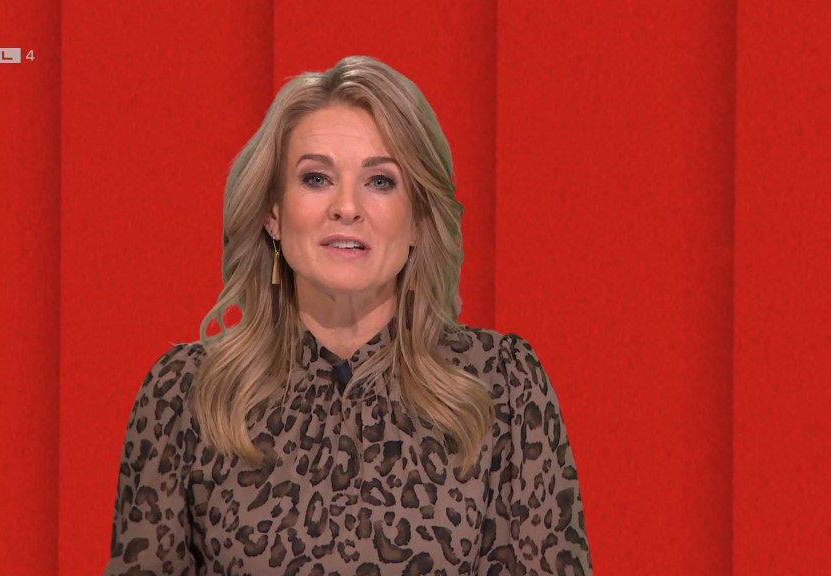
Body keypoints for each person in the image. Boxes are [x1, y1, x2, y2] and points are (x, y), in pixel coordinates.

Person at [104, 55, 592, 575]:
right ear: (273, 213)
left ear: (418, 220)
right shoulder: (185, 394)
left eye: (380, 182)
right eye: (316, 178)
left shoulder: (504, 387)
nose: (347, 207)